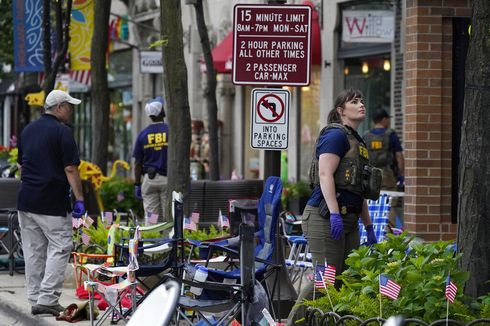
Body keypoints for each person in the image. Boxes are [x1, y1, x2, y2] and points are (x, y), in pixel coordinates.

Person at [287, 88, 379, 324]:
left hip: (350, 220)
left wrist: (368, 227)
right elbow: (325, 174)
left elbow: (358, 189)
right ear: (341, 110)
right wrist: (336, 215)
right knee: (325, 281)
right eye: (354, 101)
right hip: (324, 216)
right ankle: (292, 323)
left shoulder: (358, 141)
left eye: (361, 100)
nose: (361, 105)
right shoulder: (335, 136)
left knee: (347, 280)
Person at [17, 89, 85, 316]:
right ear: (59, 108)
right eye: (69, 106)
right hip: (52, 201)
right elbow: (70, 168)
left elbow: (22, 166)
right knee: (61, 246)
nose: (71, 110)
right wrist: (80, 199)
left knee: (33, 250)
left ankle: (36, 297)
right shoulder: (62, 131)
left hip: (26, 201)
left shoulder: (28, 130)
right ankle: (47, 298)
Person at [363, 108, 405, 226]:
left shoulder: (366, 136)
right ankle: (389, 232)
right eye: (388, 119)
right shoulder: (390, 135)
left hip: (371, 174)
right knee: (389, 203)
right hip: (387, 174)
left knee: (371, 203)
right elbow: (399, 156)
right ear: (384, 119)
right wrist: (401, 175)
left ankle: (372, 228)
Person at [133, 96, 169, 224]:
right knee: (168, 216)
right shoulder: (170, 132)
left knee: (152, 218)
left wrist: (137, 184)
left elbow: (137, 163)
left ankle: (151, 239)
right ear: (161, 112)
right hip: (167, 180)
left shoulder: (143, 135)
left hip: (149, 181)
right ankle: (169, 242)